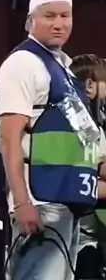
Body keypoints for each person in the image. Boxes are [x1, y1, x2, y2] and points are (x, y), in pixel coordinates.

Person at [0, 0, 101, 280]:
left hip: (68, 198)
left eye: (65, 16)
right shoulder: (22, 63)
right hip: (40, 201)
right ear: (30, 20)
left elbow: (84, 134)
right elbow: (9, 138)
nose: (59, 23)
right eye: (49, 16)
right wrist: (22, 201)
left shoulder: (65, 67)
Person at [69, 54, 106, 279]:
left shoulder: (94, 123)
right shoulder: (76, 122)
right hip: (79, 233)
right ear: (90, 84)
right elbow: (88, 173)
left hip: (92, 233)